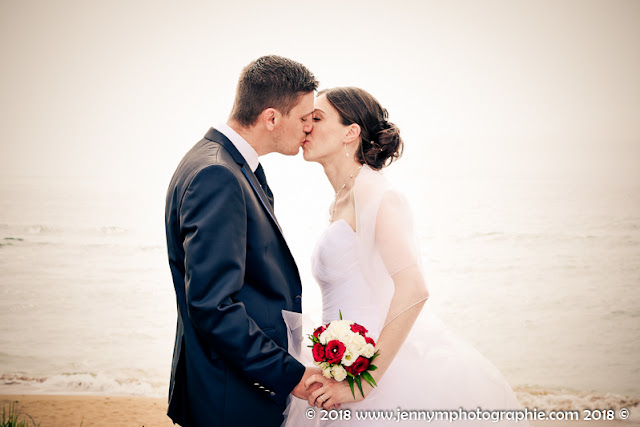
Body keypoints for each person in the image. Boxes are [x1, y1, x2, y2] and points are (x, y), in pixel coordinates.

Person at [283, 87, 530, 426]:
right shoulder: (343, 198)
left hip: (372, 368)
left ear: (350, 133)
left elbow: (414, 289)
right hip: (338, 358)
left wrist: (363, 383)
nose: (307, 126)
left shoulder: (381, 196)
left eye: (318, 118)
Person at [164, 55, 322, 427]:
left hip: (229, 384)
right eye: (303, 118)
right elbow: (212, 305)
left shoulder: (224, 163)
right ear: (271, 118)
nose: (308, 129)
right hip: (229, 394)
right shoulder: (217, 174)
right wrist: (289, 374)